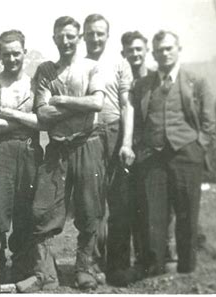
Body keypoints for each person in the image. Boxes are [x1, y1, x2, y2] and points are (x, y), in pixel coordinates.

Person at [16, 16, 107, 292]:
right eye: (60, 36)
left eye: (70, 36)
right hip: (57, 149)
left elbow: (97, 102)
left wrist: (63, 100)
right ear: (54, 39)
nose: (65, 41)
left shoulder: (92, 67)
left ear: (79, 38)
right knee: (42, 210)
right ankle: (45, 273)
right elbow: (42, 113)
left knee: (90, 210)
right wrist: (79, 106)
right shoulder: (46, 70)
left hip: (87, 143)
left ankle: (84, 269)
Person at [126, 30, 216, 284]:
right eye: (159, 50)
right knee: (155, 214)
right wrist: (141, 146)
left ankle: (187, 267)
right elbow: (139, 119)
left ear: (178, 49)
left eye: (169, 48)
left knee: (187, 211)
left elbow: (209, 122)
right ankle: (155, 268)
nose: (164, 53)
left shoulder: (195, 80)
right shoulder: (144, 84)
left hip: (187, 155)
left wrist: (199, 147)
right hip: (153, 157)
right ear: (152, 54)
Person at [0, 29, 43, 293]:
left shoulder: (35, 84)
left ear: (24, 53)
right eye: (6, 54)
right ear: (0, 55)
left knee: (27, 212)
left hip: (29, 152)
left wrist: (10, 113)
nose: (12, 58)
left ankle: (24, 269)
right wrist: (24, 120)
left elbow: (43, 121)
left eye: (16, 53)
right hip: (0, 153)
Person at [81, 14, 135, 278]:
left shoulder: (120, 63)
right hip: (88, 135)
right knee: (92, 202)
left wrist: (126, 142)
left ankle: (118, 265)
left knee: (118, 200)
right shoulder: (78, 64)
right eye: (90, 33)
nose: (95, 38)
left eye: (100, 33)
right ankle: (93, 262)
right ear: (83, 35)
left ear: (107, 35)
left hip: (114, 132)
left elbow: (127, 104)